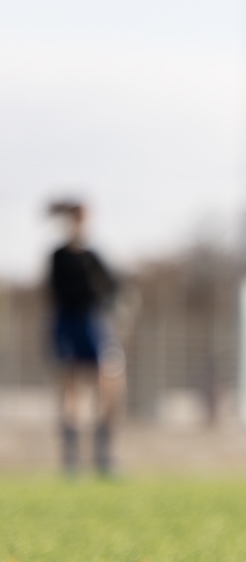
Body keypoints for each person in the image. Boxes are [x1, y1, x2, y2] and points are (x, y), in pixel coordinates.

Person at [45, 199, 124, 476]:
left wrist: (115, 304)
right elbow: (57, 293)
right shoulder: (58, 256)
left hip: (94, 323)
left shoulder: (93, 256)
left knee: (110, 382)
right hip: (68, 323)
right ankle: (71, 458)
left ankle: (103, 455)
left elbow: (115, 286)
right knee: (71, 387)